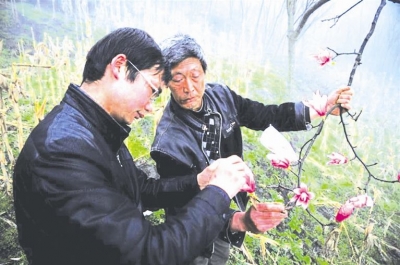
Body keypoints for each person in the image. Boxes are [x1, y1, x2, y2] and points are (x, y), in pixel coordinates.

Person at [12, 27, 259, 265]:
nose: (151, 107)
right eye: (151, 90)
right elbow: (148, 254)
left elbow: (140, 188)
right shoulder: (62, 152)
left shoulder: (95, 128)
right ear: (119, 66)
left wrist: (199, 182)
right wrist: (219, 191)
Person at [150, 34, 354, 265]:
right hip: (192, 233)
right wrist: (239, 220)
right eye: (177, 79)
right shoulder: (168, 143)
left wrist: (320, 108)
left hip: (229, 212)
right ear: (166, 83)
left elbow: (265, 115)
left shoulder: (221, 97)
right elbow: (184, 208)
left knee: (220, 255)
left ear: (204, 73)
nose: (189, 87)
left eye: (195, 75)